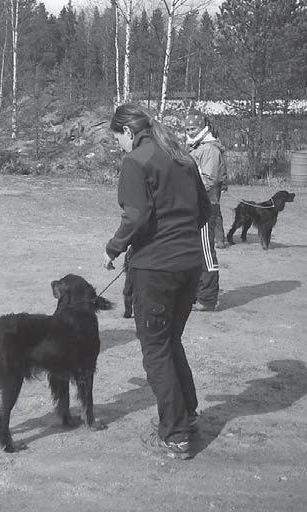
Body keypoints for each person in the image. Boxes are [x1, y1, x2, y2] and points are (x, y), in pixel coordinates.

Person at [103, 103, 211, 459]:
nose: (118, 145)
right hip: (190, 264)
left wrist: (114, 248)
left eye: (116, 138)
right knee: (170, 340)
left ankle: (176, 434)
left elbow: (135, 216)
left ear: (128, 132)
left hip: (157, 269)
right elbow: (204, 212)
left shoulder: (137, 160)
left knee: (156, 350)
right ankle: (188, 414)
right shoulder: (182, 157)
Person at [184, 109, 227, 311]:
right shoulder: (195, 147)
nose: (190, 131)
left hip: (205, 206)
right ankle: (196, 293)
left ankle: (208, 298)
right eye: (187, 128)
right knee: (194, 253)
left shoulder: (209, 149)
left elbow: (208, 180)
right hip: (193, 206)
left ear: (202, 127)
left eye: (193, 128)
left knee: (206, 253)